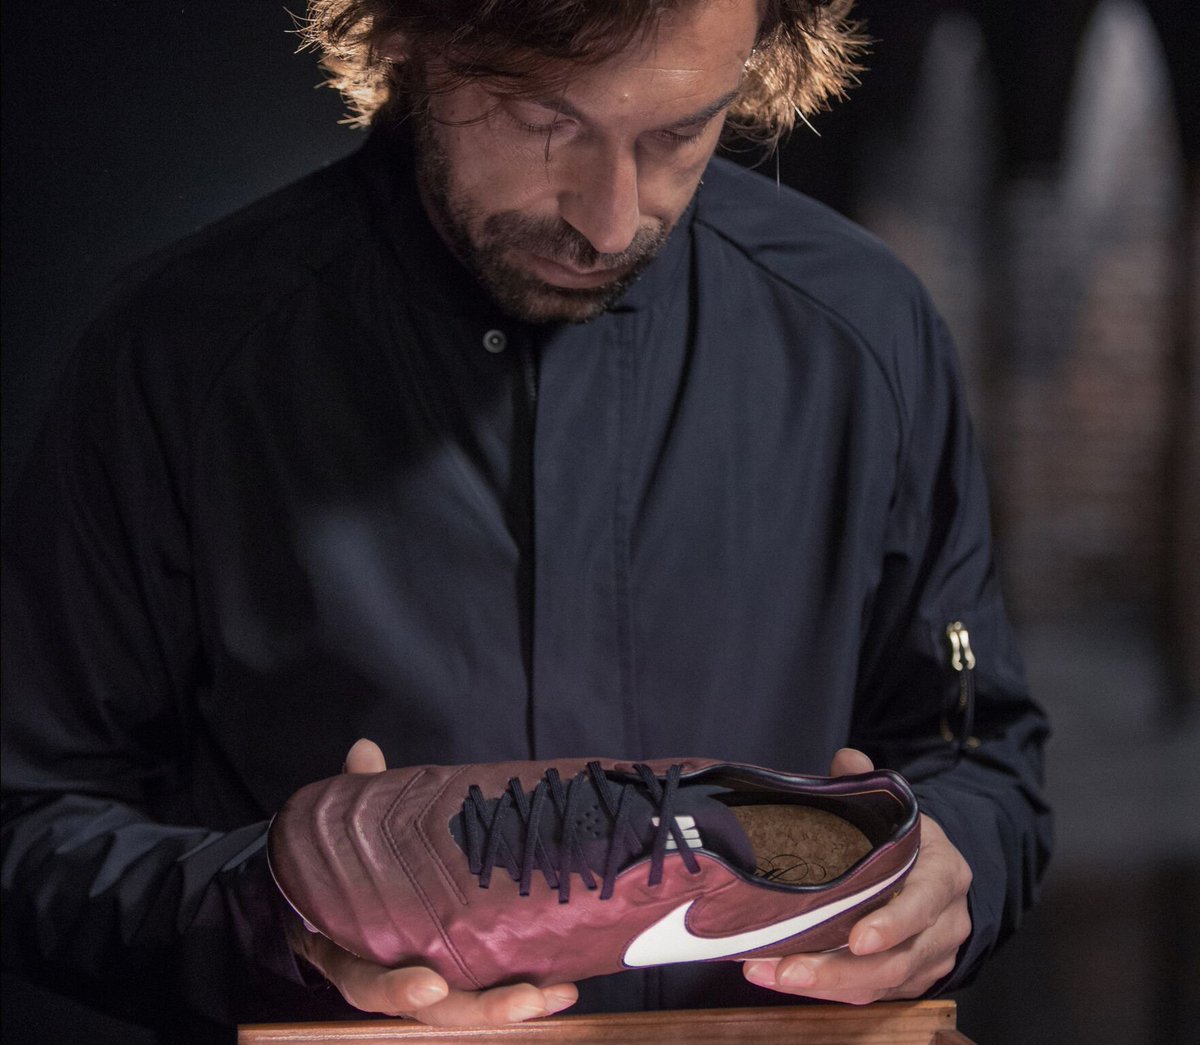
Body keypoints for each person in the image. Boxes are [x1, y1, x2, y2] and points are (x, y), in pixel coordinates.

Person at [0, 0, 1052, 1039]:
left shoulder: (863, 327)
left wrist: (953, 867)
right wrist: (277, 920)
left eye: (681, 133)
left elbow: (979, 753)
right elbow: (29, 815)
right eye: (547, 122)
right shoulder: (181, 357)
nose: (611, 221)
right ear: (407, 36)